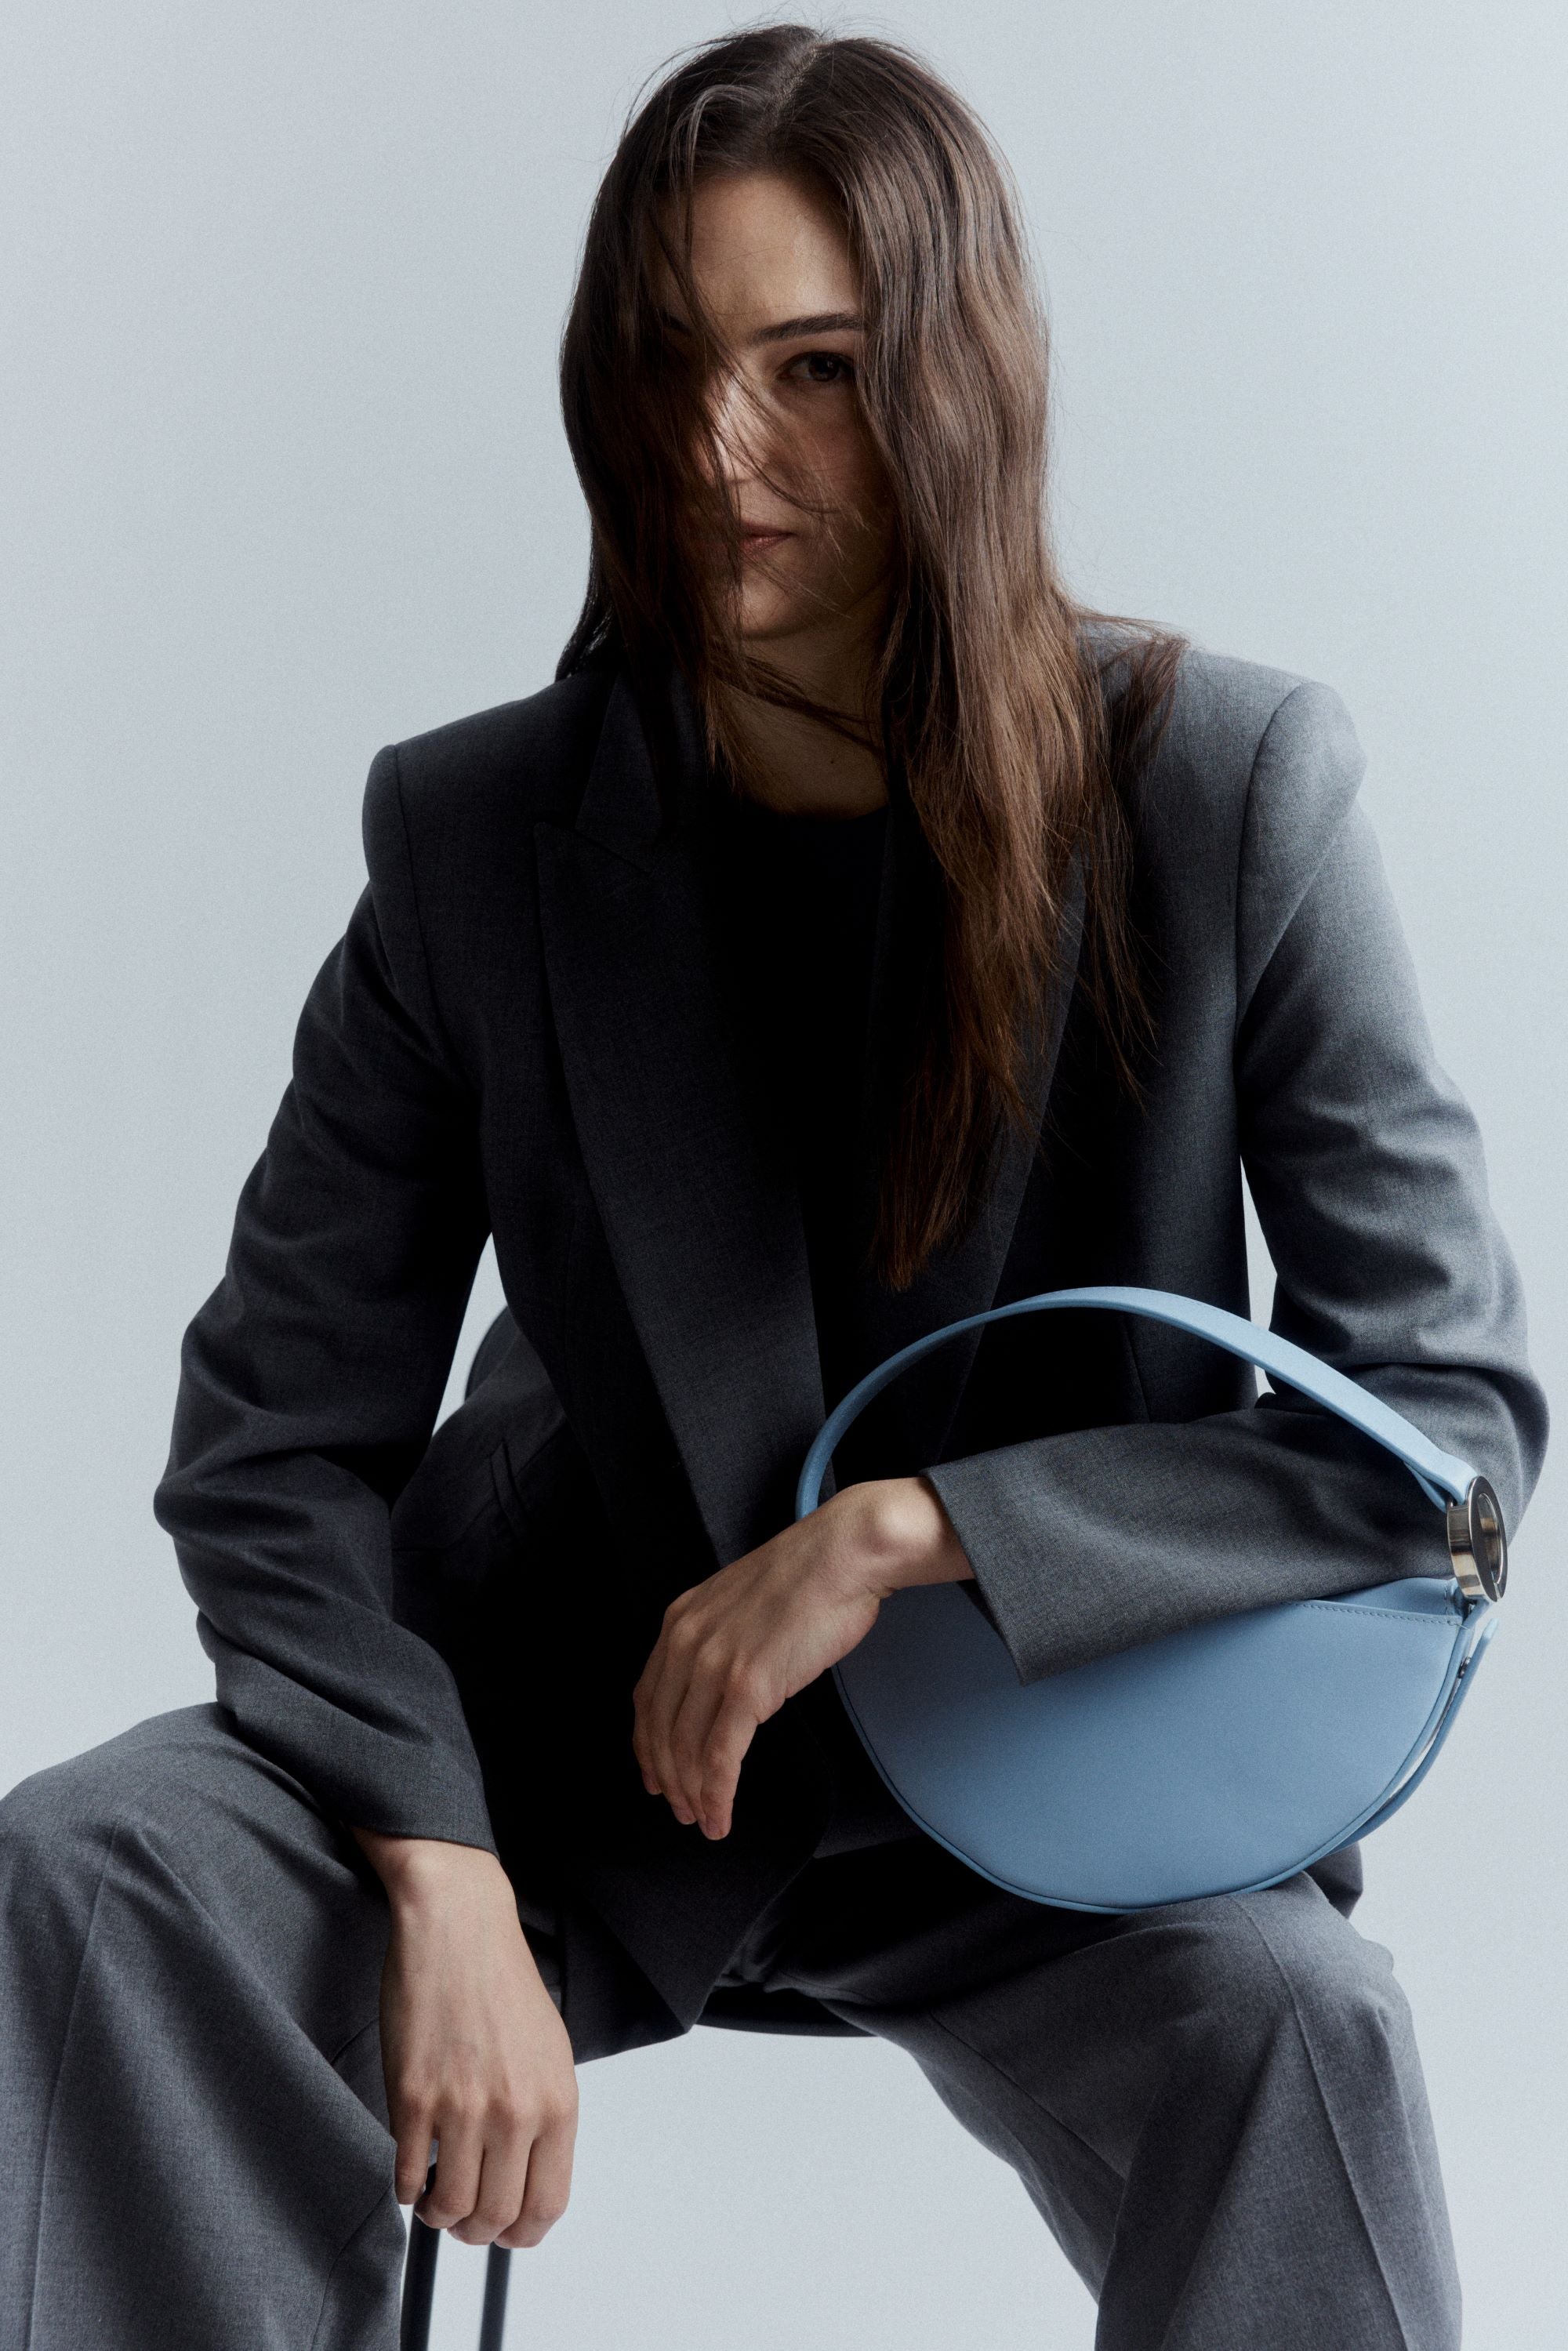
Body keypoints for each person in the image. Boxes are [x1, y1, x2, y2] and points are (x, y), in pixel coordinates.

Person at [0, 24, 1547, 2350]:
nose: (717, 450)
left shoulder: (1224, 790)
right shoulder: (476, 838)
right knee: (99, 1871)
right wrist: (434, 1854)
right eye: (669, 363)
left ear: (952, 380)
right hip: (563, 1743)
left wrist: (910, 1536)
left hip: (1055, 1781)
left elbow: (1448, 1427)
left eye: (812, 370)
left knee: (1306, 2034)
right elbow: (275, 1443)